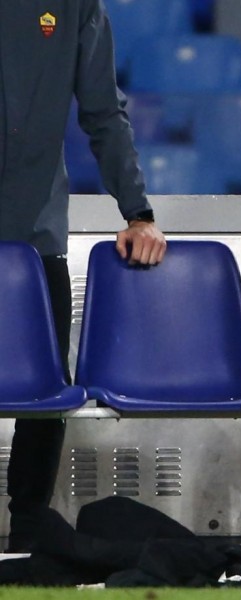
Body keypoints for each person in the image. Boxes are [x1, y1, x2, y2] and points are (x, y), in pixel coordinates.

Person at [0, 0, 167, 551]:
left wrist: (137, 211)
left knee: (48, 381)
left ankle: (29, 519)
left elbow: (103, 109)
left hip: (34, 235)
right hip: (33, 234)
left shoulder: (75, 6)